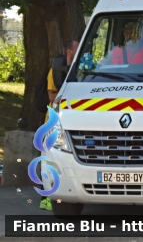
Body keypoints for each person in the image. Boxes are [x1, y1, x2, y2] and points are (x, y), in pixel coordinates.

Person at [40, 39, 79, 211]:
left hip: (69, 120)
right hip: (53, 122)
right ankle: (46, 200)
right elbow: (51, 96)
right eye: (78, 48)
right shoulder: (55, 71)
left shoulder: (78, 70)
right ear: (69, 51)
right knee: (48, 162)